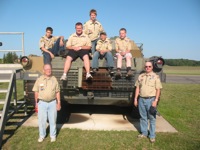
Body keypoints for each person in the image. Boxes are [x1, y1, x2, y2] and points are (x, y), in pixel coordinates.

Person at [134, 61, 162, 143]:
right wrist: (136, 99)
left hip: (151, 100)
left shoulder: (155, 77)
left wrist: (155, 101)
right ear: (144, 67)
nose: (148, 68)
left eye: (149, 66)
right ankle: (144, 133)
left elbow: (158, 89)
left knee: (152, 118)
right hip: (141, 99)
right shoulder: (141, 76)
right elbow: (137, 88)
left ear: (152, 67)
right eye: (146, 66)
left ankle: (152, 135)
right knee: (143, 117)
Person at [32, 64, 61, 142]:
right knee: (42, 121)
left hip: (52, 103)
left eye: (50, 69)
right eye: (47, 69)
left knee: (53, 120)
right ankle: (42, 135)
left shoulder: (54, 79)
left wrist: (59, 102)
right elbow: (36, 92)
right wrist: (36, 103)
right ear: (43, 70)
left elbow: (57, 91)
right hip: (42, 103)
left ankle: (53, 136)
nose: (49, 70)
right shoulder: (39, 80)